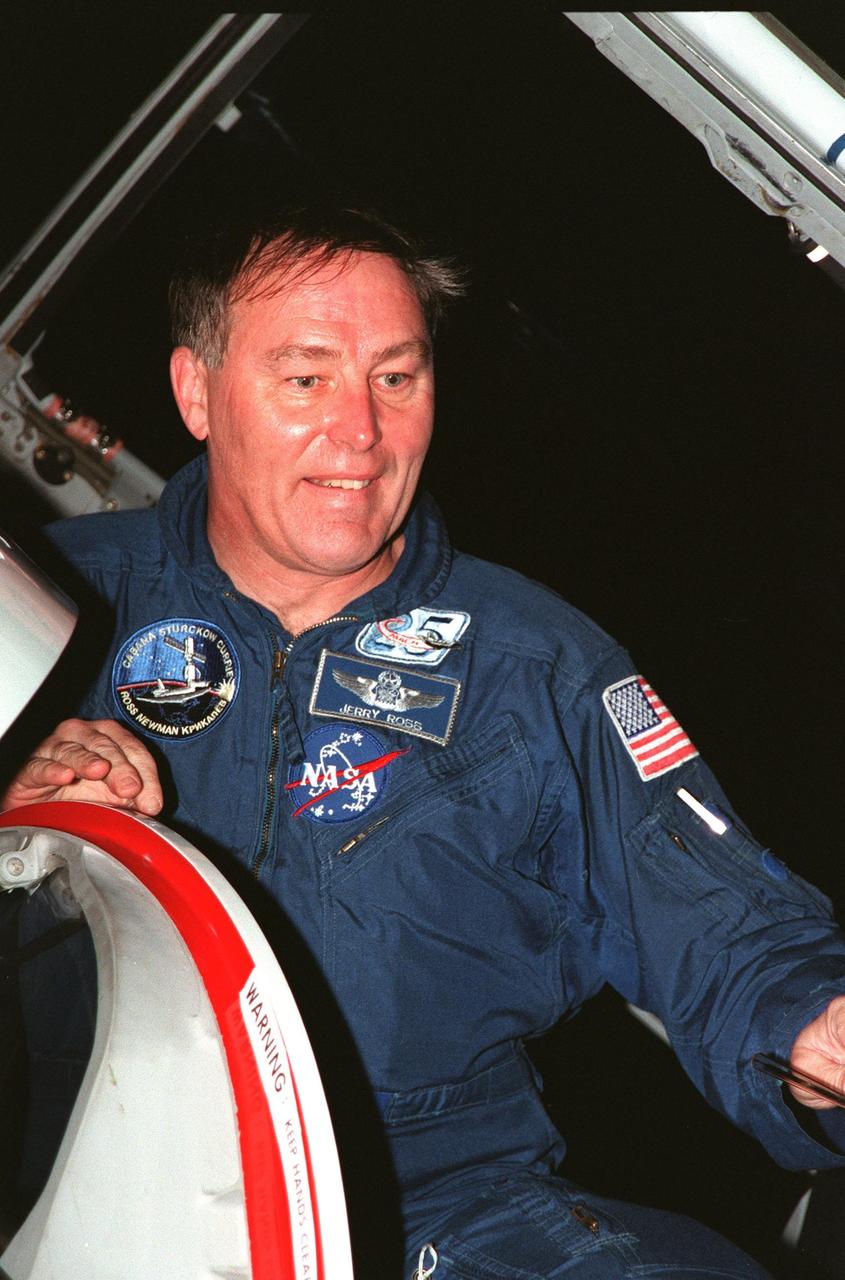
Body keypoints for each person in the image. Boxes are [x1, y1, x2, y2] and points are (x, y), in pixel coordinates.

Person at [3, 204, 845, 1279]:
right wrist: (18, 800)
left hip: (428, 1205)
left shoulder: (534, 663)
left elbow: (724, 930)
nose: (361, 430)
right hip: (72, 1185)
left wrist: (810, 1024)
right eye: (306, 378)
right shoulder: (51, 601)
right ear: (197, 392)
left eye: (394, 377)